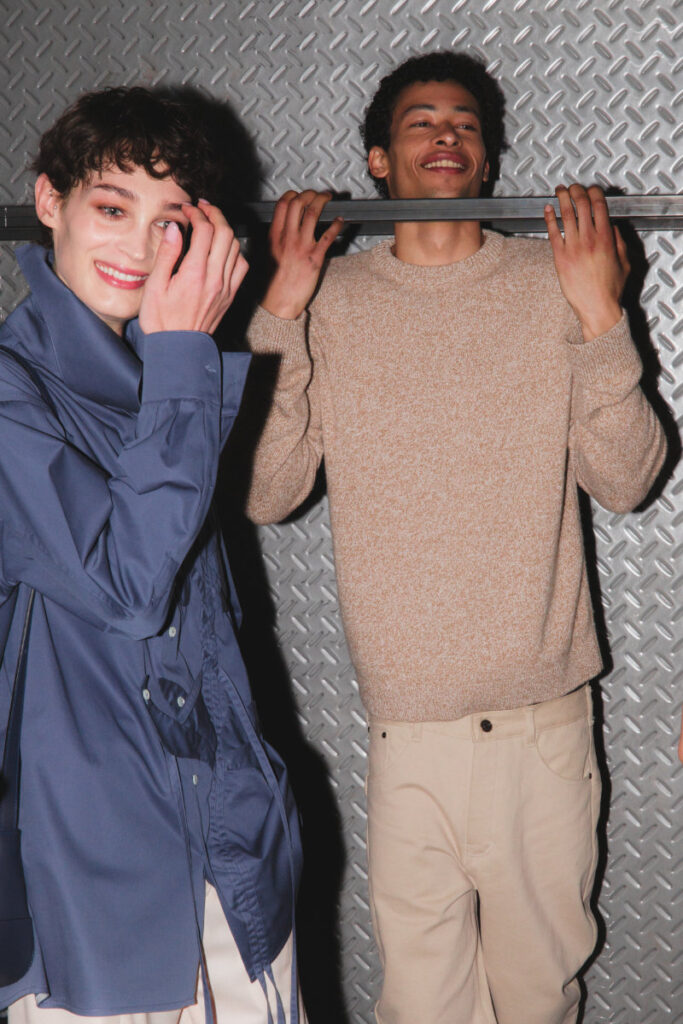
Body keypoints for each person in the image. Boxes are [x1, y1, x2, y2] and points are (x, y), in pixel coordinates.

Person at [244, 51, 667, 1024]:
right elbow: (267, 493)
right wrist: (281, 308)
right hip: (408, 739)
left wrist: (599, 307)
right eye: (420, 122)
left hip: (541, 732)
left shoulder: (547, 277)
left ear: (484, 159)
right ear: (377, 161)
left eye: (464, 123)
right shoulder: (335, 299)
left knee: (534, 1000)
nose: (445, 134)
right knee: (420, 1009)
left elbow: (629, 477)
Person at [0, 87, 304, 1024]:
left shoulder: (155, 381)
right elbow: (127, 590)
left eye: (169, 221)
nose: (138, 248)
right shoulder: (17, 392)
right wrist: (183, 358)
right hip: (97, 884)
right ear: (49, 201)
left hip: (229, 856)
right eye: (111, 208)